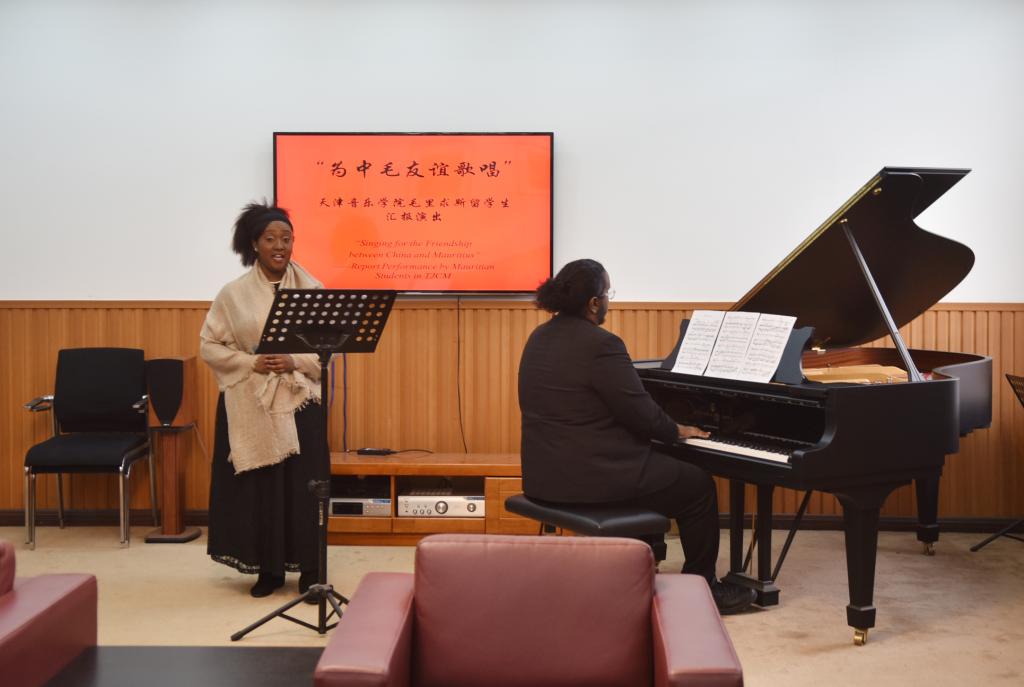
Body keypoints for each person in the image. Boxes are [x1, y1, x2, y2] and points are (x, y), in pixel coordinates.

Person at [517, 258, 755, 615]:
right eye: (607, 294)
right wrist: (677, 430)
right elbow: (642, 415)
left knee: (662, 470)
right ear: (593, 303)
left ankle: (637, 569)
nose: (608, 301)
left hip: (544, 476)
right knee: (697, 485)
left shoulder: (539, 337)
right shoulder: (602, 344)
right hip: (590, 477)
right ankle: (704, 587)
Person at [200, 202, 327, 598]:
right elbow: (209, 346)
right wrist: (250, 362)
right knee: (263, 489)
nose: (280, 246)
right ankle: (268, 570)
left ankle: (310, 570)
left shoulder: (313, 290)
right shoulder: (233, 294)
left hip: (300, 402)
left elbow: (326, 351)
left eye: (286, 239)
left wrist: (294, 360)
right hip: (251, 403)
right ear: (254, 244)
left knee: (305, 487)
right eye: (271, 239)